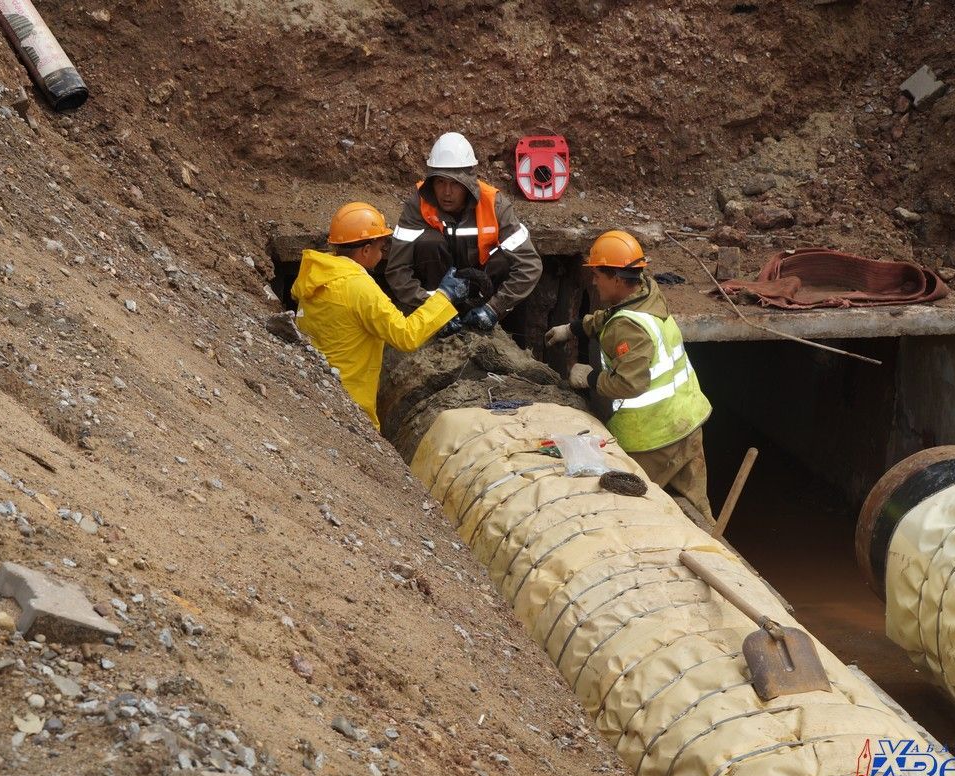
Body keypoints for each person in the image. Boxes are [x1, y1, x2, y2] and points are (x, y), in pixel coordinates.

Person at [545, 230, 716, 524]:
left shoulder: (629, 329)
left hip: (654, 436)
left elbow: (629, 383)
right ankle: (719, 552)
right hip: (689, 420)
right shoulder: (647, 292)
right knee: (699, 514)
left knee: (637, 510)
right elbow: (613, 313)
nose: (593, 281)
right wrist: (575, 328)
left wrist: (588, 377)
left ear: (616, 278)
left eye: (598, 274)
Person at [292, 201, 473, 430]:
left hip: (317, 390)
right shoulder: (359, 288)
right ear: (365, 250)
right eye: (381, 247)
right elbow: (405, 336)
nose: (383, 252)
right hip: (350, 401)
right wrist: (444, 296)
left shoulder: (318, 275)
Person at [385, 132, 542, 334]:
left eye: (455, 183)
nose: (446, 192)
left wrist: (494, 307)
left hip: (483, 291)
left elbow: (529, 265)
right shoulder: (419, 203)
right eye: (440, 182)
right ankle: (440, 325)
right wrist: (432, 310)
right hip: (436, 297)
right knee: (428, 243)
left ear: (468, 183)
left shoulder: (494, 204)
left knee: (504, 260)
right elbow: (398, 270)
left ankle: (487, 324)